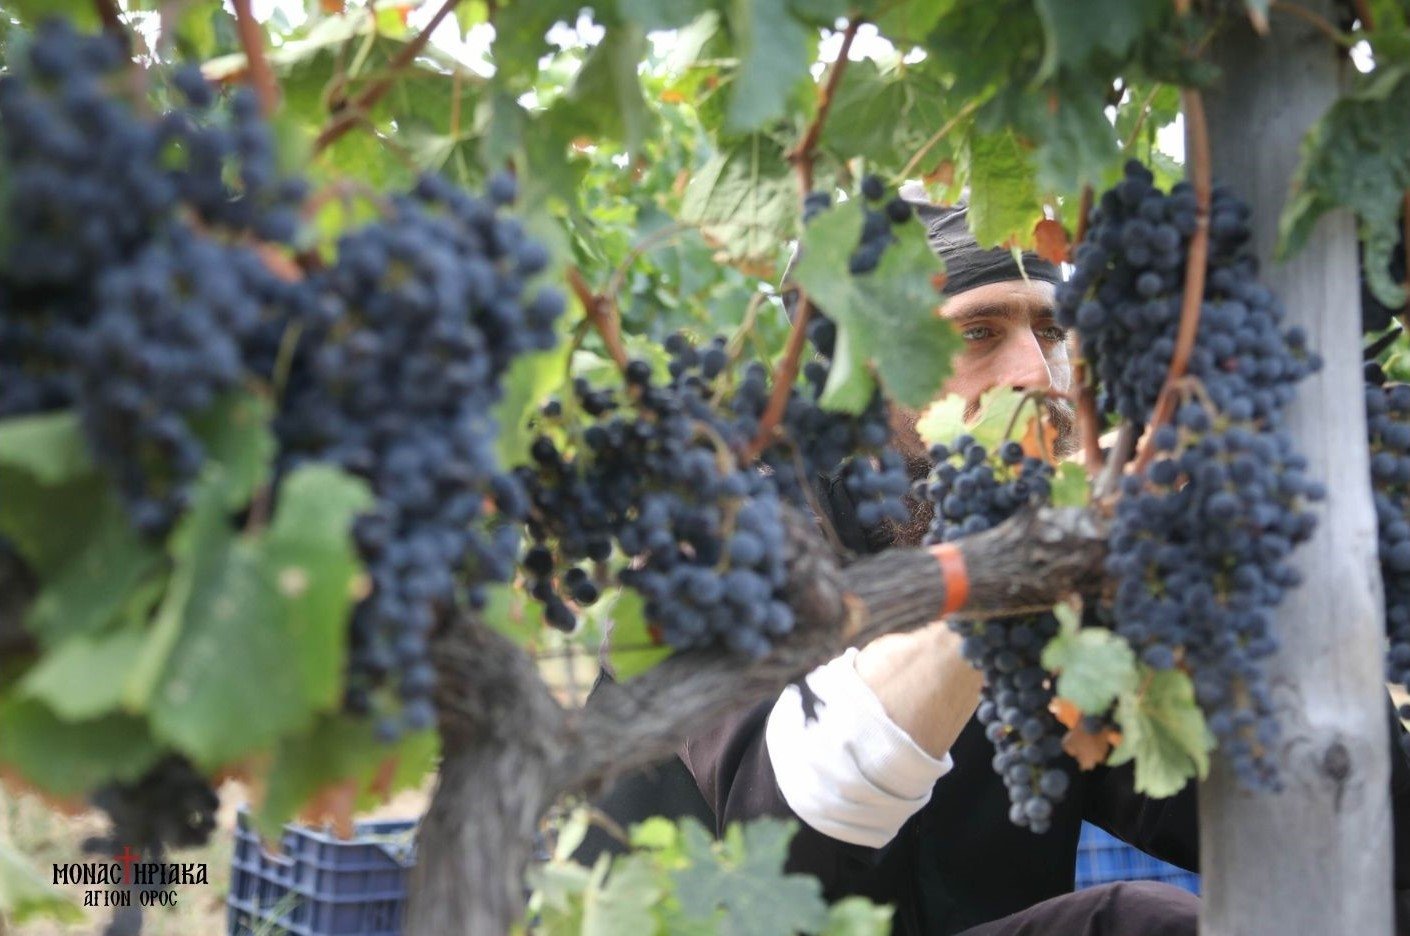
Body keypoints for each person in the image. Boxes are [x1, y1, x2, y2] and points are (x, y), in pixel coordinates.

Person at [574, 201, 1410, 936]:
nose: (1034, 375)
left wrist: (1248, 589)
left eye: (1050, 332)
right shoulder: (713, 541)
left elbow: (1324, 820)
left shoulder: (1063, 597)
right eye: (978, 333)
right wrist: (1009, 565)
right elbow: (792, 831)